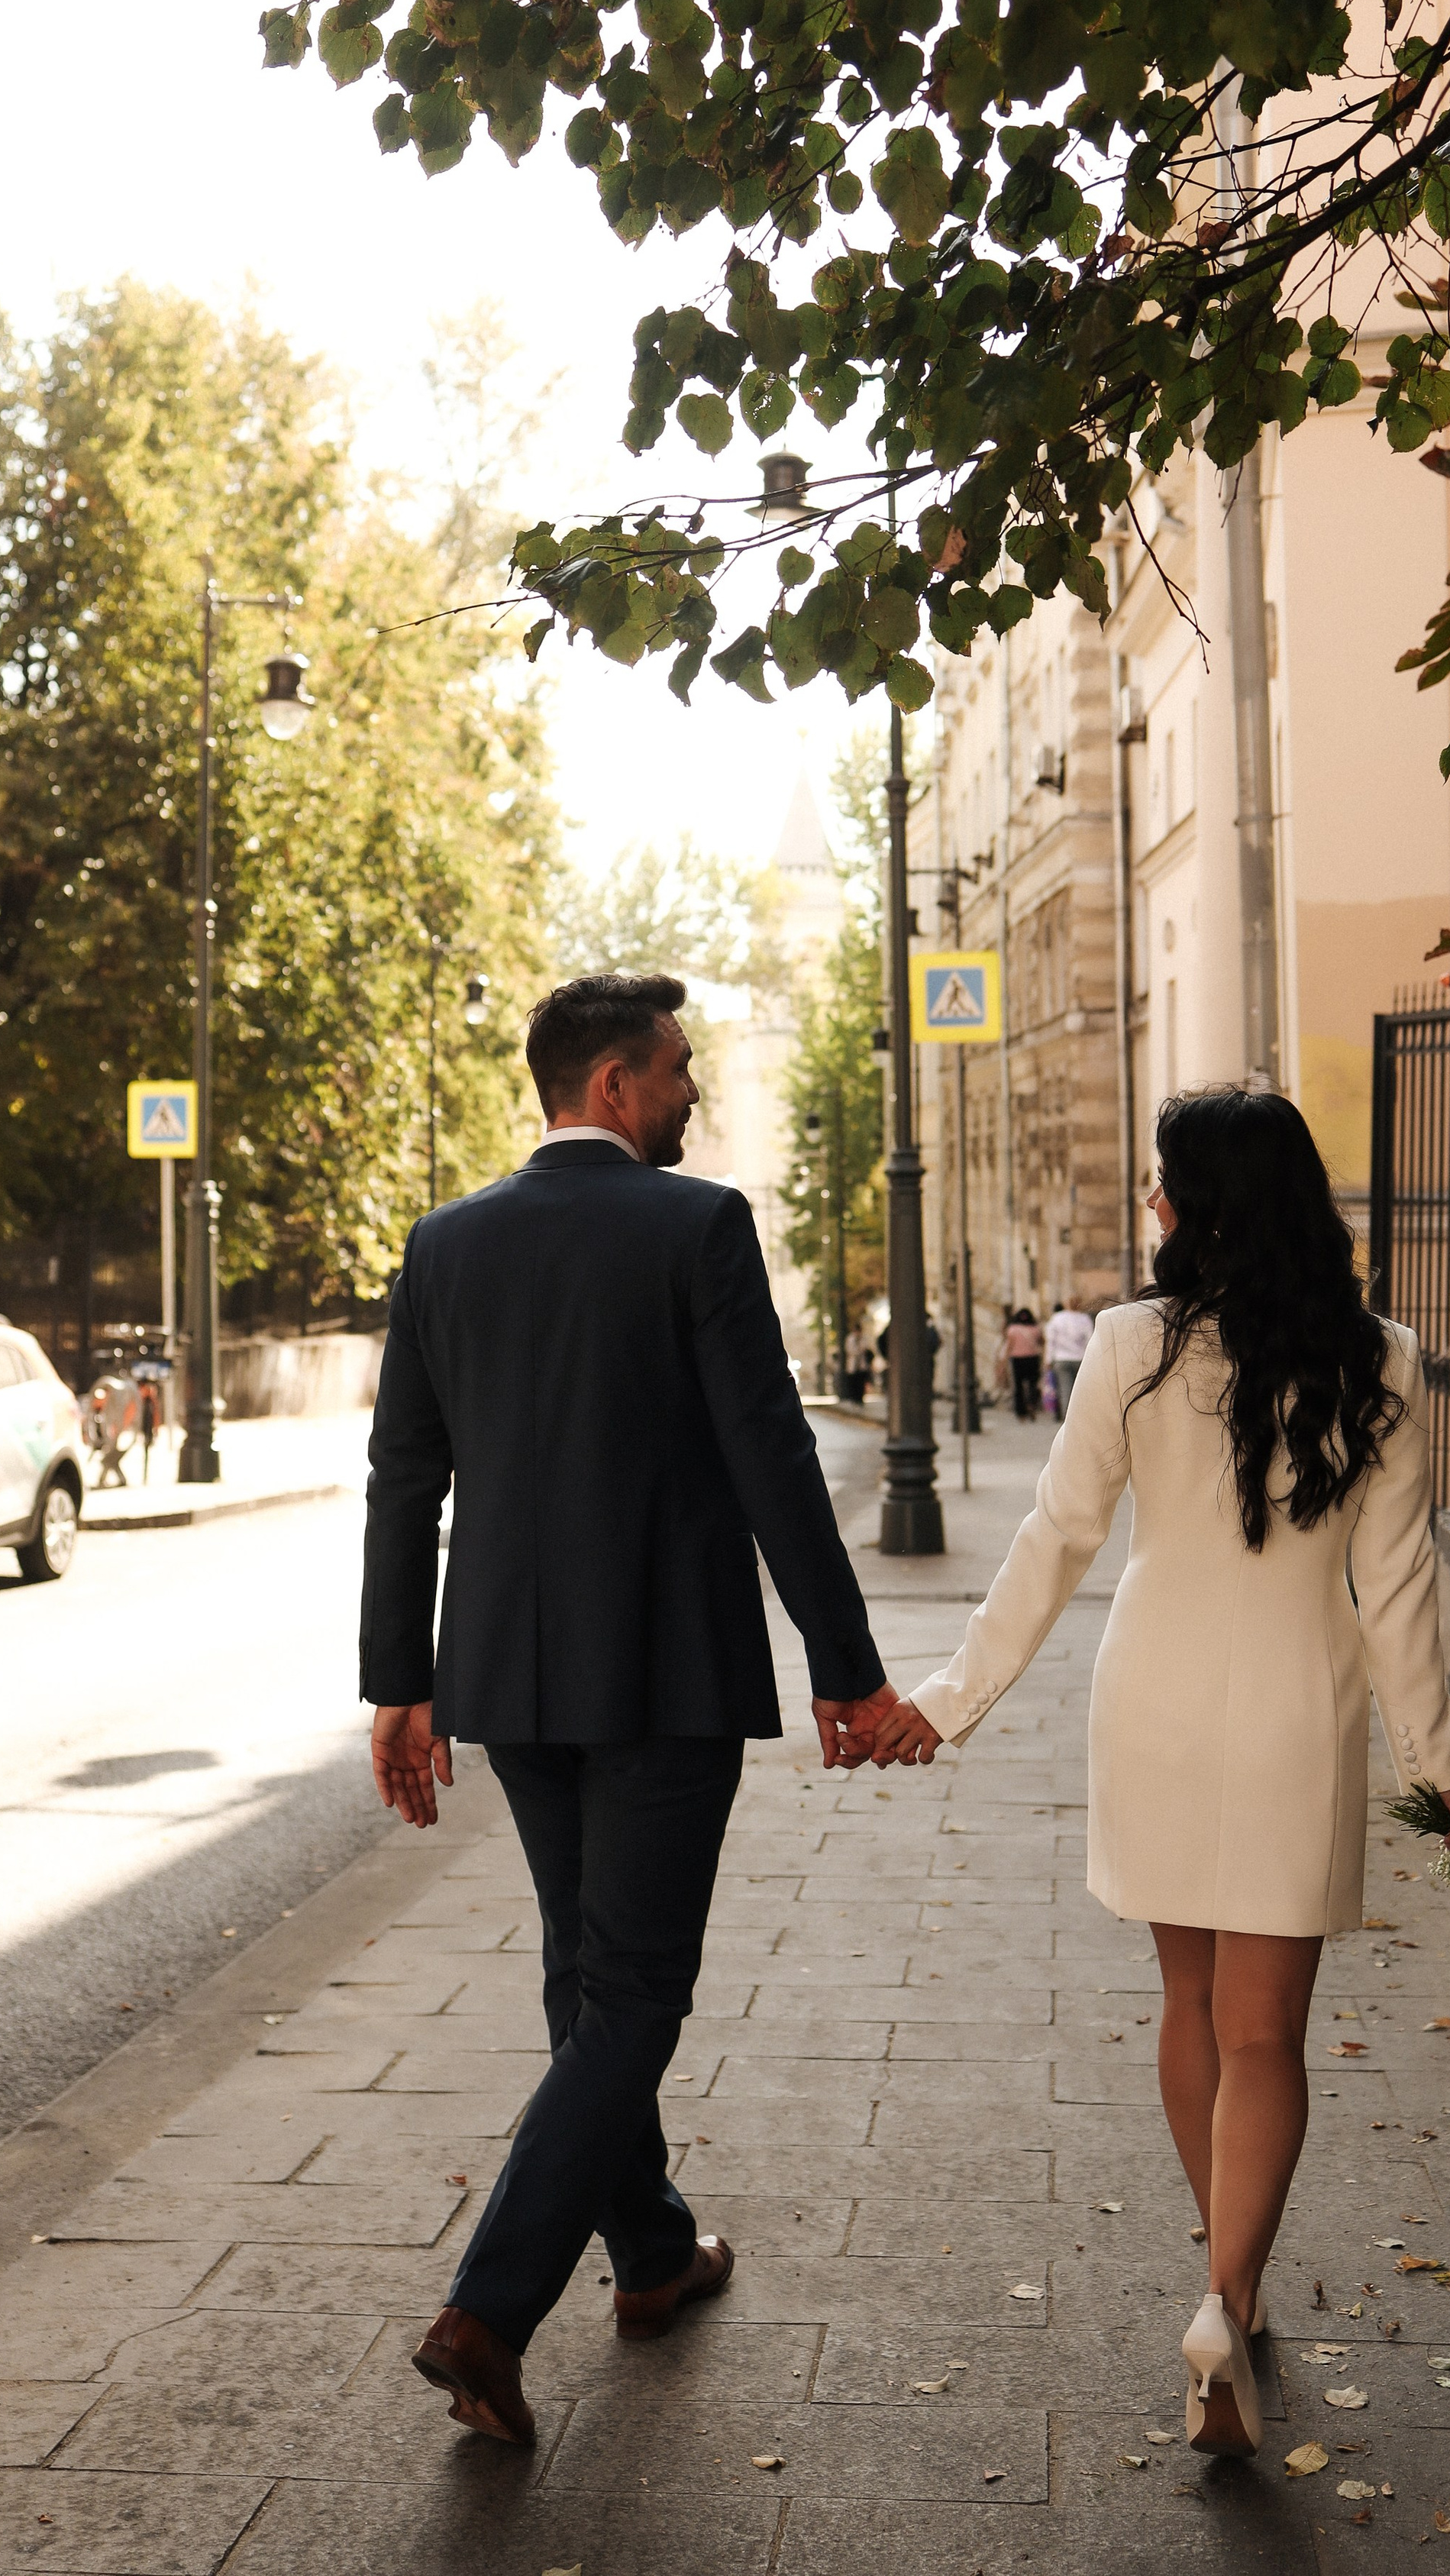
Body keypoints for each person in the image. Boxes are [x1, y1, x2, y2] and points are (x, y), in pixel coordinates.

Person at [870, 1087, 1450, 2458]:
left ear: (1201, 1203)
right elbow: (1395, 1592)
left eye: (1165, 1182)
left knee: (1192, 2003)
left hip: (1149, 1697)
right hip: (1292, 1708)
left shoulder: (1136, 1346)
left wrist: (947, 1702)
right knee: (1269, 2034)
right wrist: (1446, 1770)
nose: (1152, 1203)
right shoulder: (1383, 1358)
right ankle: (1226, 2299)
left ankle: (1229, 2273)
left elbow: (1055, 1538)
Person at [360, 971, 896, 2448]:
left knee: (580, 1970)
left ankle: (652, 2254)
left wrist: (399, 1682)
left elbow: (406, 1476)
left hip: (511, 1677)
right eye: (675, 1071)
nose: (691, 1096)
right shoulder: (697, 1226)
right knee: (636, 1990)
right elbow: (773, 1458)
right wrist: (843, 1663)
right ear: (610, 1086)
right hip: (663, 1672)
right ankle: (488, 2309)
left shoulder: (446, 1243)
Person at [1045, 1298, 1094, 1420]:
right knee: (1079, 1390)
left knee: (1065, 1389)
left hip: (1061, 1358)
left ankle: (1067, 1419)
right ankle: (1079, 1417)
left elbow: (1051, 1341)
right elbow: (1090, 1339)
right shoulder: (1085, 1319)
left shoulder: (1057, 1318)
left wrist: (1048, 1359)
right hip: (1080, 1358)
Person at [1000, 1305, 1044, 1421]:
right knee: (1033, 1384)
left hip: (1017, 1360)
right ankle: (1032, 1404)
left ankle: (1021, 1413)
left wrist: (1004, 1361)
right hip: (1033, 1359)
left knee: (1018, 1387)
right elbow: (1042, 1342)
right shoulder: (1035, 1329)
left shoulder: (1012, 1329)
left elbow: (1009, 1346)